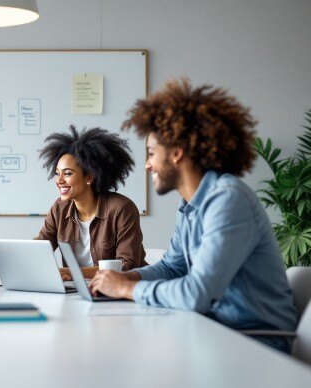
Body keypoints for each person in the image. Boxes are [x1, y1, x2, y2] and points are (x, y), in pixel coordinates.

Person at [89, 78, 297, 352]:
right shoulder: (190, 205)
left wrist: (125, 290)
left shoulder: (228, 199)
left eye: (151, 153)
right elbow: (171, 268)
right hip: (216, 331)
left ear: (177, 152)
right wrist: (127, 279)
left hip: (255, 342)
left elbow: (195, 294)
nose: (148, 165)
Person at [0, 126, 147, 279]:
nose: (59, 180)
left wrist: (71, 273)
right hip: (78, 290)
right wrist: (10, 259)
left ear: (89, 177)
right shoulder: (59, 208)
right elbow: (40, 248)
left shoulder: (121, 209)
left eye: (68, 173)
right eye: (57, 173)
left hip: (119, 290)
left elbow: (126, 266)